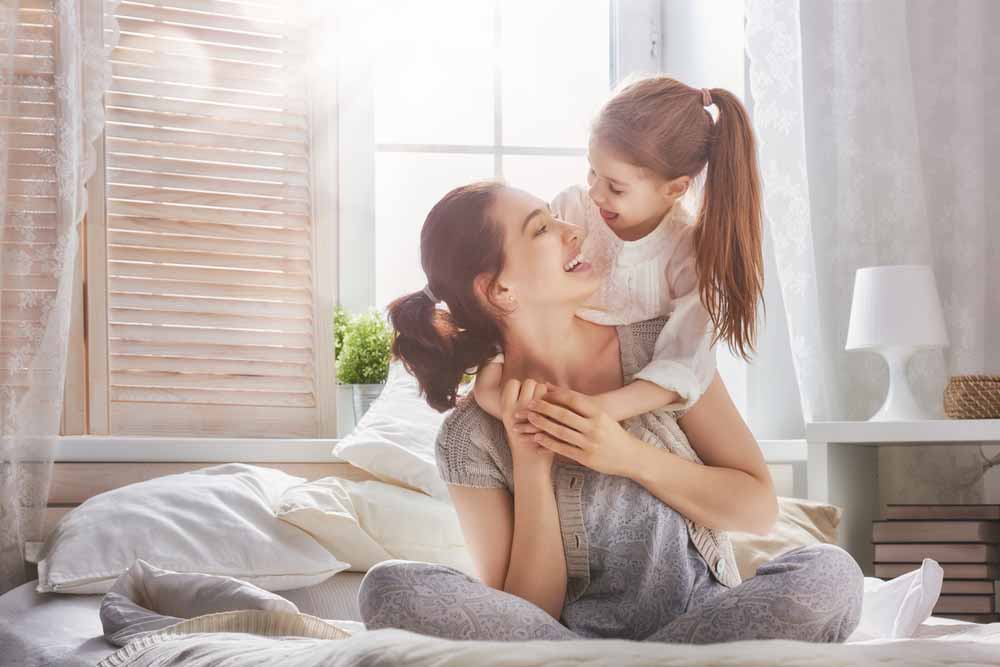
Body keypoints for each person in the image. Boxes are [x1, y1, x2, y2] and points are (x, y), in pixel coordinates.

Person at [358, 182, 863, 644]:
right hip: (574, 645)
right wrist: (532, 466)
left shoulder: (663, 351)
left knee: (830, 574)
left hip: (705, 624)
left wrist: (626, 455)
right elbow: (527, 613)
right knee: (388, 589)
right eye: (542, 229)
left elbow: (757, 509)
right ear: (499, 290)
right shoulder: (469, 437)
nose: (573, 230)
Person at [474, 75, 763, 427]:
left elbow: (685, 361)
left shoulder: (688, 255)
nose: (595, 192)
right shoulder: (572, 209)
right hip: (551, 382)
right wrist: (490, 376)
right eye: (592, 171)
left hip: (630, 411)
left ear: (675, 189)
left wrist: (601, 410)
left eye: (616, 187)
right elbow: (518, 290)